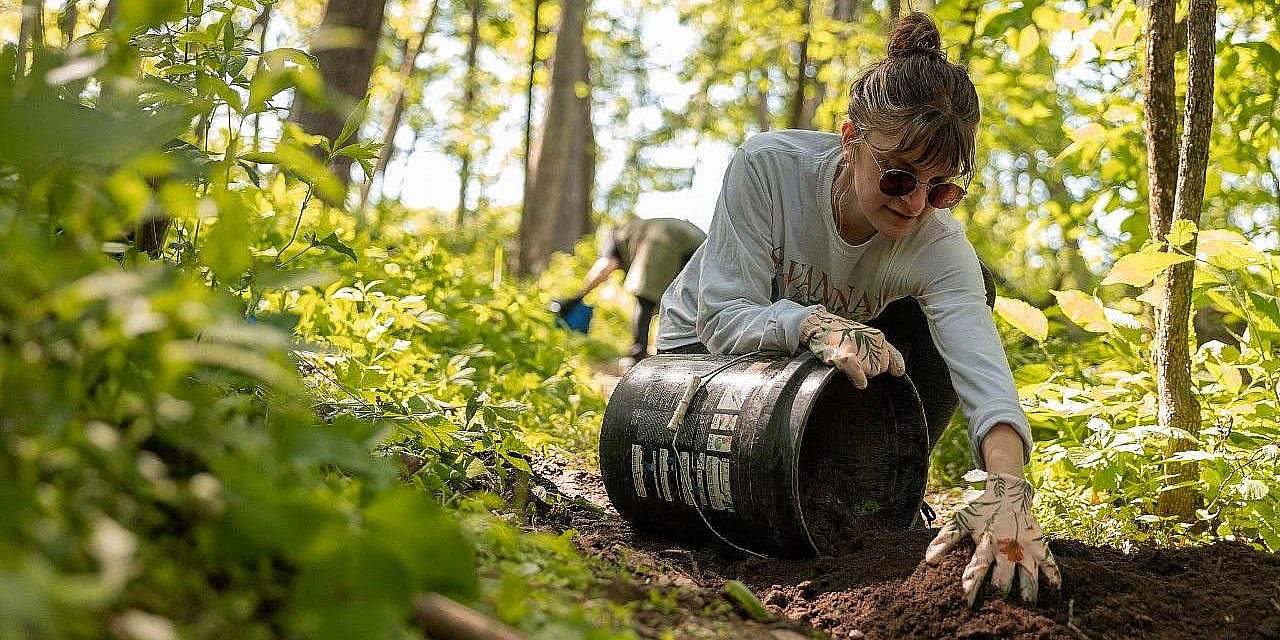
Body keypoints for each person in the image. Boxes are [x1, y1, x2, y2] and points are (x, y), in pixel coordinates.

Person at [655, 12, 1060, 607]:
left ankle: (882, 490)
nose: (918, 204)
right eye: (898, 179)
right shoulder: (769, 169)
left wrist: (1008, 489)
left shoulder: (938, 245)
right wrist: (813, 324)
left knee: (977, 291)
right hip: (702, 357)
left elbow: (986, 380)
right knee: (745, 517)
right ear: (850, 141)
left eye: (942, 188)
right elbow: (721, 319)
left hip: (809, 372)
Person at [555, 216, 706, 365]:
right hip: (700, 245)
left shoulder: (615, 234)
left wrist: (577, 297)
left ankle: (637, 354)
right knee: (692, 300)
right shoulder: (636, 230)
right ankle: (693, 350)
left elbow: (605, 266)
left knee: (644, 297)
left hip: (665, 241)